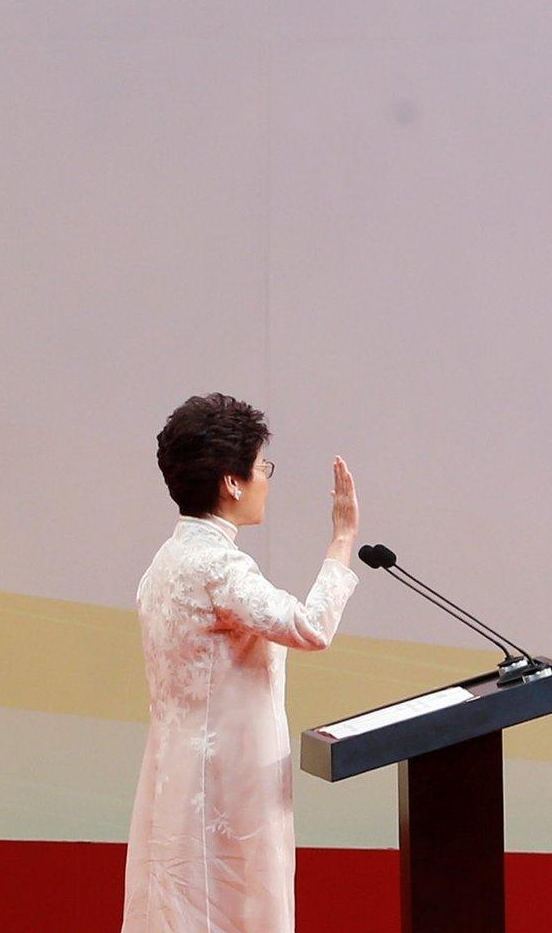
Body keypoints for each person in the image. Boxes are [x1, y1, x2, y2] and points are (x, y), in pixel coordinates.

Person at [122, 393, 360, 933]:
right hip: (227, 788)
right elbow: (311, 626)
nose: (265, 482)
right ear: (232, 481)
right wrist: (342, 540)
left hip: (173, 778)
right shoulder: (218, 567)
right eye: (260, 468)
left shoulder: (164, 563)